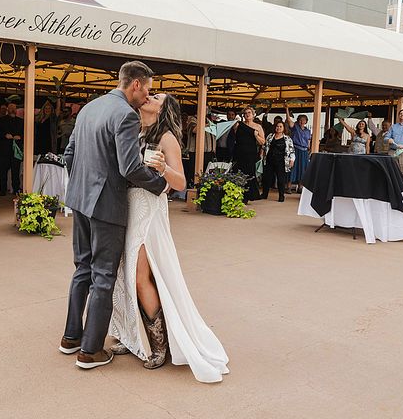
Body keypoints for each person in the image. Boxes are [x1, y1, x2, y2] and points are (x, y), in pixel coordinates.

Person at [106, 92, 229, 381]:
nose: (150, 96)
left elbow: (181, 182)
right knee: (125, 274)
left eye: (157, 96)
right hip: (126, 207)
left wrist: (164, 168)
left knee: (140, 277)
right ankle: (131, 334)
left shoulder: (167, 138)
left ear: (164, 109)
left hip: (148, 212)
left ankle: (159, 345)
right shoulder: (134, 131)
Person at [59, 61, 169, 370]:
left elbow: (69, 154)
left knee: (82, 268)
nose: (147, 96)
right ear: (135, 84)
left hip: (79, 200)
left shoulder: (88, 109)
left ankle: (71, 338)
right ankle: (90, 351)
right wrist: (160, 185)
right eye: (146, 89)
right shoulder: (125, 115)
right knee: (103, 275)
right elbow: (130, 168)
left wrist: (84, 181)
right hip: (106, 205)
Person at [231, 107, 265, 201]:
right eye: (245, 113)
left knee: (249, 173)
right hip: (239, 152)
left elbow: (262, 142)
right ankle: (238, 194)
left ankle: (249, 195)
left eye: (249, 112)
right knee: (238, 173)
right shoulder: (239, 125)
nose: (247, 114)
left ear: (253, 114)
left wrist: (256, 135)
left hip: (250, 153)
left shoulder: (258, 126)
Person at [0, 102, 24, 196]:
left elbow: (25, 133)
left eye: (14, 108)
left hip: (16, 150)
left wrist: (20, 137)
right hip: (4, 149)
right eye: (11, 108)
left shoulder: (21, 121)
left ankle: (16, 189)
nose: (13, 110)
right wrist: (5, 135)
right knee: (3, 171)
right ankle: (3, 190)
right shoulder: (1, 120)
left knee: (16, 171)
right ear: (7, 109)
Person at [261, 121, 295, 202]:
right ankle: (264, 194)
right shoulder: (270, 136)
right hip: (269, 160)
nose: (278, 128)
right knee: (267, 178)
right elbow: (264, 146)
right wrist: (261, 154)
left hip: (281, 161)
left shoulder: (287, 139)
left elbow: (292, 150)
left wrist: (292, 159)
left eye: (280, 126)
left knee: (281, 179)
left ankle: (281, 196)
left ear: (283, 128)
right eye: (277, 126)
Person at [285, 106, 310, 193]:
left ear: (306, 121)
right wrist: (287, 109)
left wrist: (309, 149)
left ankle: (300, 187)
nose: (302, 121)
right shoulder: (295, 127)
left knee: (303, 169)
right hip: (296, 149)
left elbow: (308, 140)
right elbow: (289, 120)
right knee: (293, 167)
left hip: (304, 151)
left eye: (303, 119)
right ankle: (288, 187)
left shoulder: (307, 130)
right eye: (300, 119)